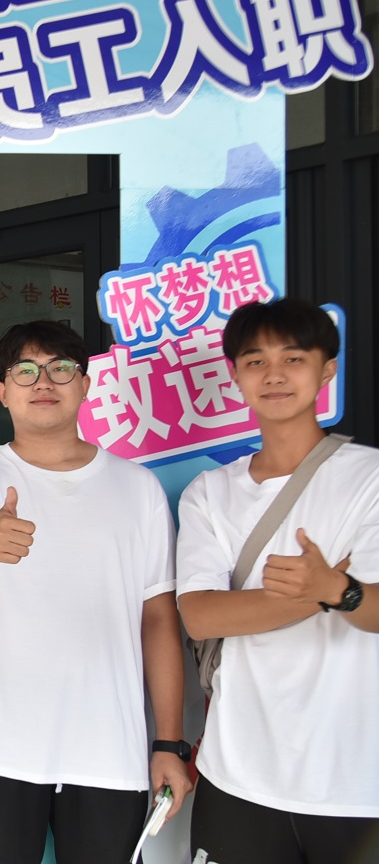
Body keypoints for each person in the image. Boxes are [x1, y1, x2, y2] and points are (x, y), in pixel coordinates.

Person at [0, 319, 192, 864]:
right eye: (25, 371)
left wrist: (169, 742)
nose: (43, 381)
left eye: (60, 368)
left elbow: (159, 619)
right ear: (2, 392)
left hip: (107, 745)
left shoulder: (137, 488)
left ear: (86, 384)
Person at [177, 298, 379, 863]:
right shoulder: (209, 493)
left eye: (293, 358)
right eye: (255, 361)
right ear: (235, 375)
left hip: (353, 783)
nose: (274, 375)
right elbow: (200, 615)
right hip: (236, 774)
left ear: (327, 369)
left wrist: (339, 590)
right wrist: (321, 594)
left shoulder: (370, 478)